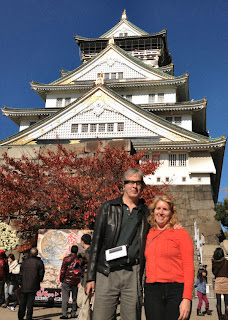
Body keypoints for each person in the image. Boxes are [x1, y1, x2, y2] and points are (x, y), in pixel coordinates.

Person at [86, 168, 150, 320]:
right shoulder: (108, 208)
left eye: (138, 183)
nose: (134, 186)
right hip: (107, 271)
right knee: (101, 316)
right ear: (124, 185)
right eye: (131, 182)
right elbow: (96, 244)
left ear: (142, 186)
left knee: (132, 317)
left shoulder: (147, 212)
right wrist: (90, 277)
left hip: (133, 271)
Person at [144, 196, 194, 320]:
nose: (161, 212)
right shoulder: (147, 233)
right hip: (152, 291)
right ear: (153, 211)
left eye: (165, 209)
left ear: (171, 213)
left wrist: (187, 298)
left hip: (176, 291)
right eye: (158, 208)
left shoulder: (181, 234)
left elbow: (189, 267)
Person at [18, 247, 45, 320]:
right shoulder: (39, 262)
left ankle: (20, 316)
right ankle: (29, 317)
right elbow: (41, 274)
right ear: (36, 254)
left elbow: (20, 273)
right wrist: (38, 281)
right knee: (30, 303)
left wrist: (20, 282)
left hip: (24, 284)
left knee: (22, 302)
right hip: (33, 285)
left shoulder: (25, 262)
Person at [60, 245, 83, 319]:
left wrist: (61, 279)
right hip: (76, 281)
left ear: (71, 250)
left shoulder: (66, 259)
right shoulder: (79, 259)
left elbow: (63, 270)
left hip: (66, 280)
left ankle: (64, 314)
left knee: (65, 298)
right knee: (74, 298)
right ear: (77, 251)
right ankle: (73, 313)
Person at [77, 233, 92, 320]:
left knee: (85, 303)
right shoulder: (85, 252)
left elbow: (90, 263)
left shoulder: (90, 252)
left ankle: (85, 318)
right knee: (80, 301)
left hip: (88, 279)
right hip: (83, 279)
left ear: (82, 242)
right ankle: (92, 316)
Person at [212, 247, 228, 320]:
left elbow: (214, 272)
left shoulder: (214, 262)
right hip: (226, 281)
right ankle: (226, 316)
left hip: (218, 281)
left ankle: (220, 317)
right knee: (226, 301)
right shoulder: (226, 261)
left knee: (218, 301)